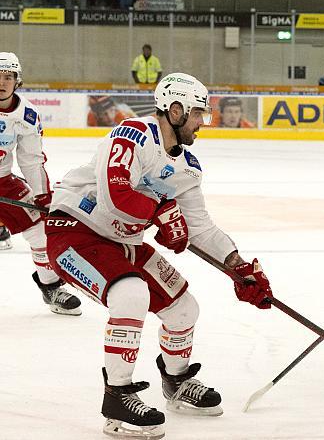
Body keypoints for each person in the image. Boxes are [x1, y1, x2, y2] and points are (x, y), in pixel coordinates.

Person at [45, 72, 274, 438]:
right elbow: (114, 196)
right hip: (75, 231)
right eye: (198, 114)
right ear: (176, 109)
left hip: (124, 242)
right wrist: (159, 212)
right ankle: (116, 397)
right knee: (130, 293)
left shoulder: (188, 169)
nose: (203, 123)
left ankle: (177, 383)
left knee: (184, 308)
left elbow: (201, 229)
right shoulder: (132, 134)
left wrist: (238, 267)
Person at [0, 52, 82, 315]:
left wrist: (42, 195)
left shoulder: (26, 115)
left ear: (17, 81)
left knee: (40, 228)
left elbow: (31, 161)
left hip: (3, 181)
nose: (2, 82)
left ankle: (51, 287)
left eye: (8, 77)